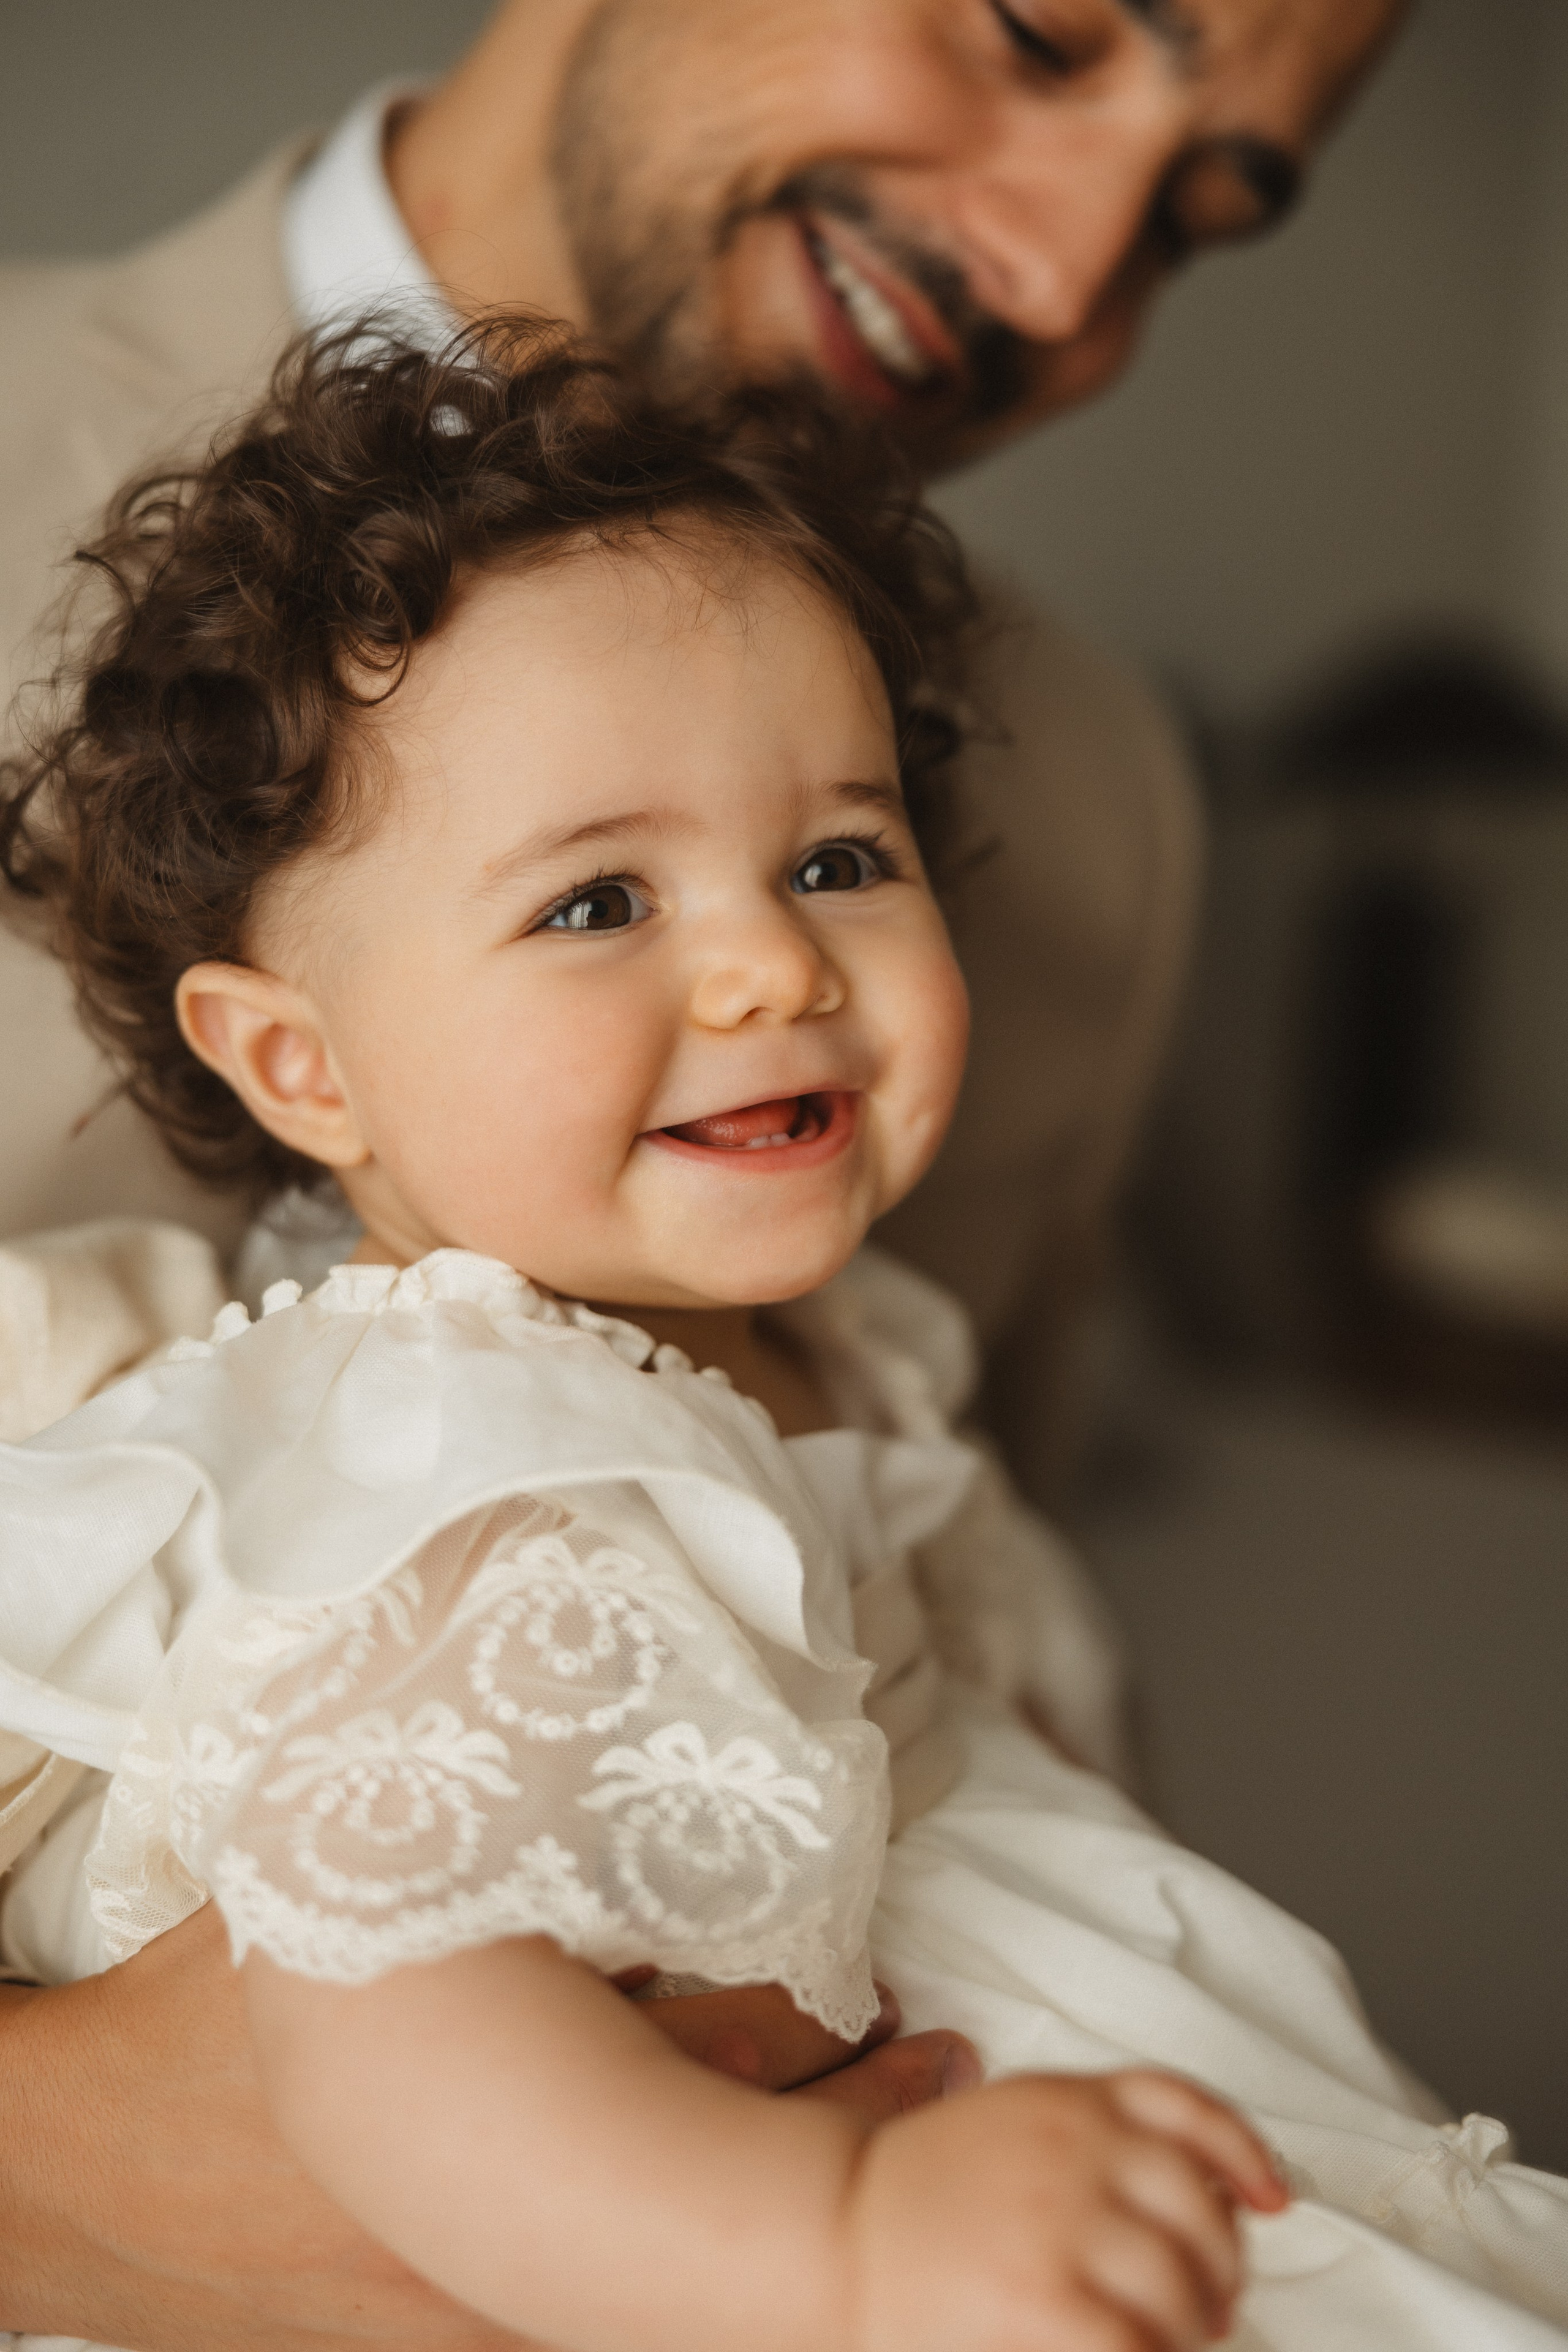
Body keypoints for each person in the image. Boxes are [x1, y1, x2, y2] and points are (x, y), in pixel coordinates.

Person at [0, 4, 1409, 2343]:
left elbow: (942, 1723)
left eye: (1204, 211)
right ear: (289, 1061)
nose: (1069, 284)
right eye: (1049, 25)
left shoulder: (1104, 817)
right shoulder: (478, 1457)